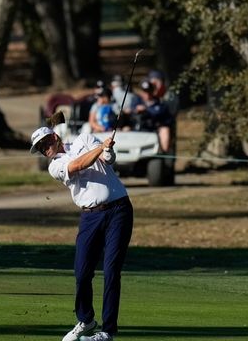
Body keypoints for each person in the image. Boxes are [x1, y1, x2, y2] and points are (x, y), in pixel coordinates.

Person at [30, 126, 134, 341]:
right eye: (40, 148)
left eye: (45, 143)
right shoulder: (55, 166)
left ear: (55, 137)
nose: (44, 149)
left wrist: (107, 150)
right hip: (90, 216)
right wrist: (101, 149)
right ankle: (86, 320)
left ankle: (108, 331)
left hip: (119, 210)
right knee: (82, 272)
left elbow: (107, 159)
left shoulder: (85, 138)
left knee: (112, 270)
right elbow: (78, 164)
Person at [136, 79, 173, 153]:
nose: (147, 94)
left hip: (154, 129)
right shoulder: (136, 101)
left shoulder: (160, 104)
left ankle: (164, 153)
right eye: (145, 92)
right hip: (136, 129)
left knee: (165, 130)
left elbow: (160, 115)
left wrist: (146, 110)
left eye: (149, 92)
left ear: (153, 92)